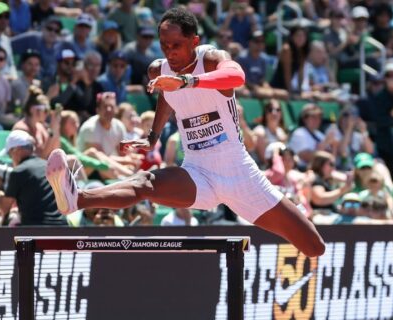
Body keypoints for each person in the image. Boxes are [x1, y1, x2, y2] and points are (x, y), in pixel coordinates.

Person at [44, 8, 324, 257]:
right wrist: (153, 136)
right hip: (197, 172)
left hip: (239, 174)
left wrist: (186, 81)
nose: (170, 52)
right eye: (164, 45)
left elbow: (237, 76)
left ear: (194, 42)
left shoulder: (211, 60)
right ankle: (76, 198)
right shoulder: (159, 70)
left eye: (177, 45)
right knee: (144, 183)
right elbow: (167, 96)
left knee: (314, 247)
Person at [0, 130, 67, 226]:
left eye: (9, 154)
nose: (11, 158)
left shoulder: (19, 171)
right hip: (63, 227)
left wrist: (0, 186)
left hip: (36, 229)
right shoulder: (49, 166)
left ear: (16, 150)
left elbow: (4, 208)